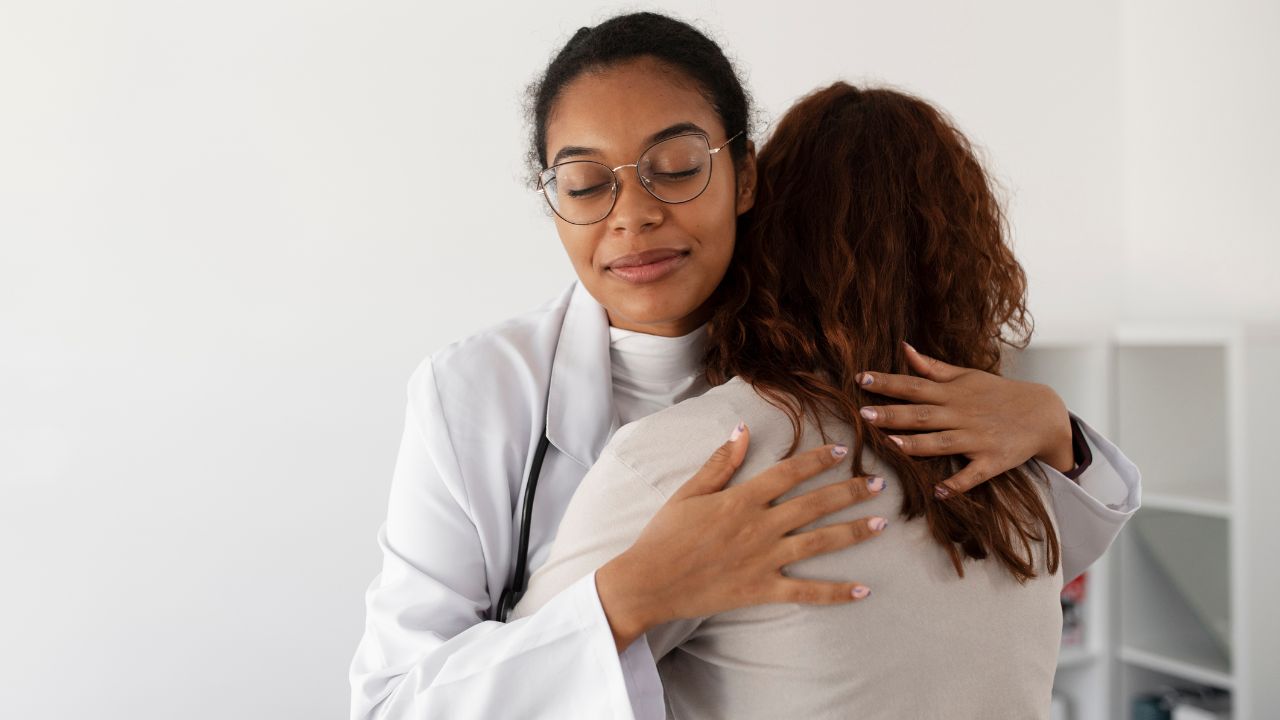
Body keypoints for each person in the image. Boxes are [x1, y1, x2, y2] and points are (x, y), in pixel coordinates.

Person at [349, 13, 1140, 720]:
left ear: (746, 176)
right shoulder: (476, 394)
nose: (633, 215)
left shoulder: (837, 382)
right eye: (585, 185)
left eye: (676, 166)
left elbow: (992, 568)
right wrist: (635, 593)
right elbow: (391, 704)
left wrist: (1054, 432)